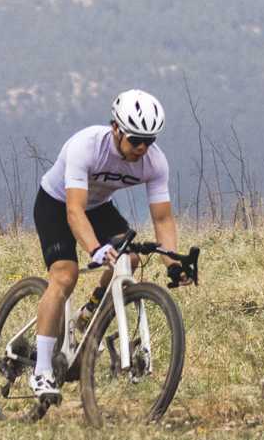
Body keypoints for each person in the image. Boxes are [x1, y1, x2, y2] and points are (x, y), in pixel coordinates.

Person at [29, 89, 177, 406]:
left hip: (98, 207)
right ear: (116, 129)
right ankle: (41, 370)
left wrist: (173, 262)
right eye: (135, 139)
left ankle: (91, 309)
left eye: (149, 141)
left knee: (131, 257)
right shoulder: (87, 146)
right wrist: (94, 248)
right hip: (57, 203)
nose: (142, 148)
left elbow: (162, 219)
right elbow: (73, 211)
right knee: (65, 276)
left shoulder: (154, 162)